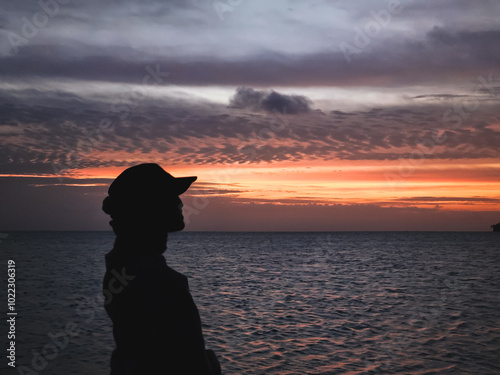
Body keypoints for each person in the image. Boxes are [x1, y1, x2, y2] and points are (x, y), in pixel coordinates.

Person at [101, 163, 221, 375]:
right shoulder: (159, 281)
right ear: (149, 207)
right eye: (170, 196)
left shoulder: (121, 268)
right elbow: (187, 363)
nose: (179, 202)